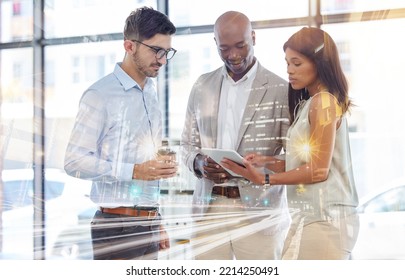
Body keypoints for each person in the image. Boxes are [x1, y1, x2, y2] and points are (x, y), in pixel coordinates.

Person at [222, 27, 359, 260]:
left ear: (320, 63)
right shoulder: (310, 103)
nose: (289, 71)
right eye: (287, 63)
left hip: (325, 218)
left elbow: (318, 170)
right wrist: (267, 162)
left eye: (297, 63)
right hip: (311, 217)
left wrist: (265, 179)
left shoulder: (324, 102)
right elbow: (304, 162)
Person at [64, 7, 178, 260]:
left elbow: (148, 164)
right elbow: (74, 162)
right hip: (116, 227)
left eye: (167, 52)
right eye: (156, 50)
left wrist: (155, 219)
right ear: (129, 46)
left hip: (147, 224)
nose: (162, 60)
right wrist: (135, 170)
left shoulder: (151, 92)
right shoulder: (100, 95)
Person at [180, 11, 291, 260]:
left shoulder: (281, 90)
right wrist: (198, 163)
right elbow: (186, 145)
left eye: (241, 45)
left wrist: (261, 167)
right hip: (209, 209)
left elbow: (294, 157)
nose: (233, 55)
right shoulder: (201, 86)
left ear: (253, 37)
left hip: (259, 213)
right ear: (216, 45)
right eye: (224, 48)